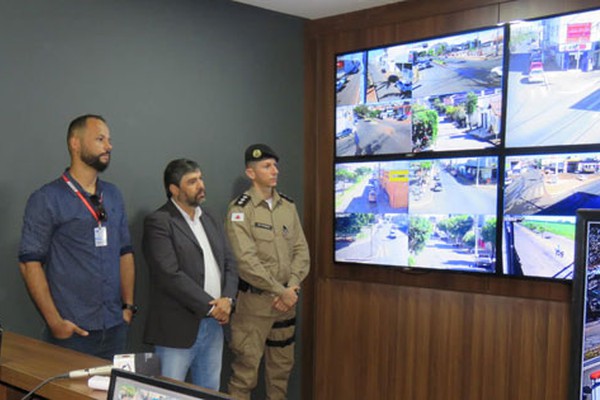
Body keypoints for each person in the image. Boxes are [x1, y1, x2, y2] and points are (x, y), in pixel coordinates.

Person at [18, 114, 136, 360]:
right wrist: (55, 323)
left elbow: (125, 253)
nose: (109, 146)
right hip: (73, 334)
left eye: (109, 140)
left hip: (115, 329)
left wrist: (127, 307)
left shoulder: (113, 195)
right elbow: (30, 264)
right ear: (75, 143)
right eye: (100, 139)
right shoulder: (47, 198)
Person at [142, 159, 238, 391]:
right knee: (168, 394)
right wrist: (212, 306)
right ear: (174, 189)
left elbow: (230, 263)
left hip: (215, 325)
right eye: (192, 181)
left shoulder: (210, 218)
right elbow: (169, 274)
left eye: (200, 178)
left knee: (209, 392)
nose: (200, 185)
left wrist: (228, 300)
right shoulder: (160, 222)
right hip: (178, 329)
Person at [225, 144, 310, 400]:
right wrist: (280, 291)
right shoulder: (240, 210)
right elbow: (246, 262)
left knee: (280, 374)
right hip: (255, 307)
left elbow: (301, 251)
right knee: (244, 376)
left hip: (286, 304)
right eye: (266, 166)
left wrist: (292, 288)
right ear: (250, 173)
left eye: (275, 165)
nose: (275, 170)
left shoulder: (288, 206)